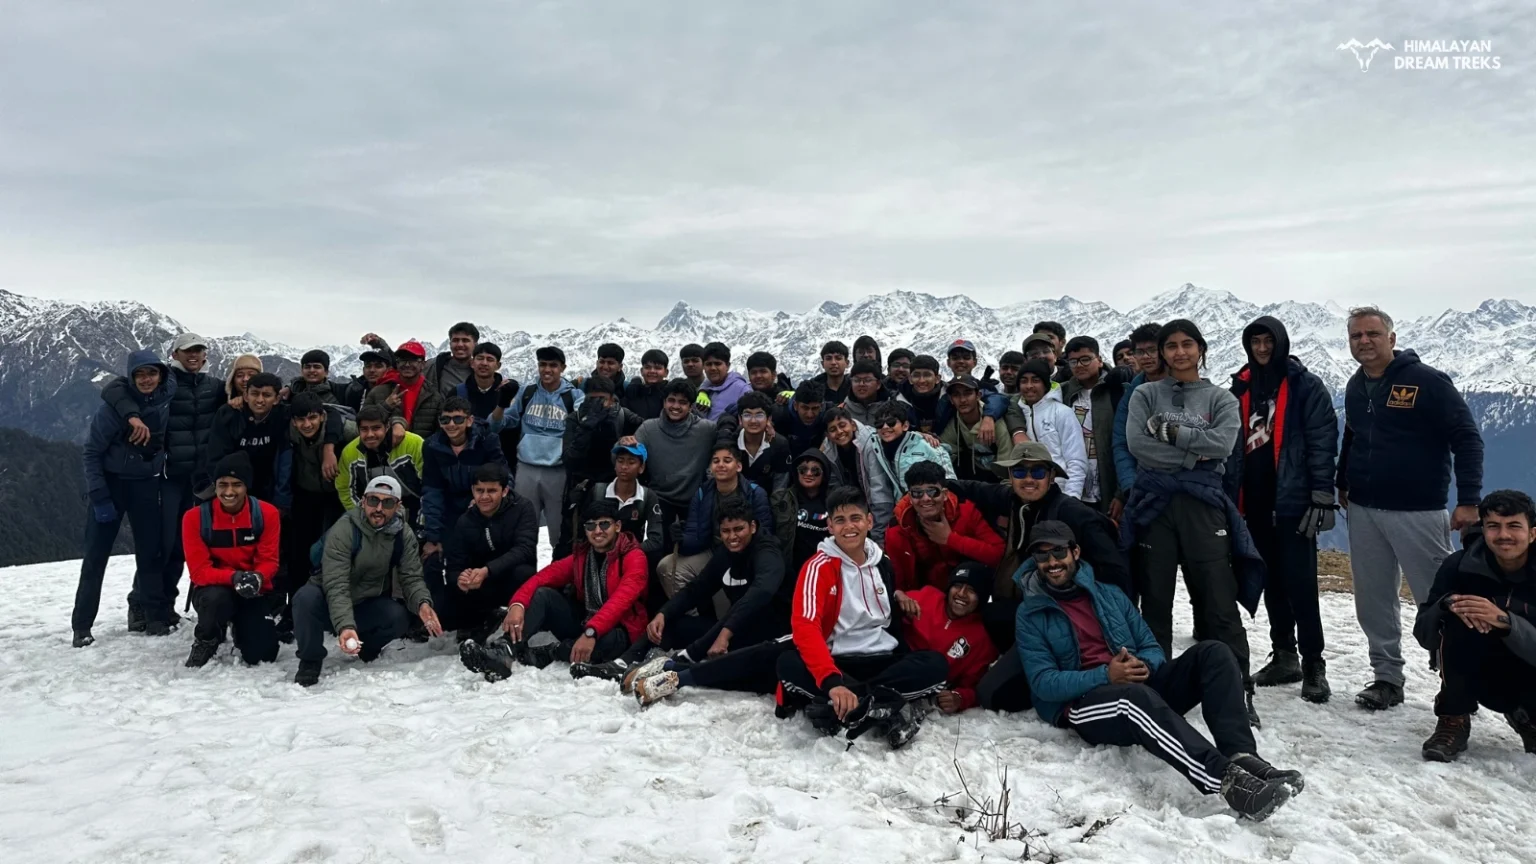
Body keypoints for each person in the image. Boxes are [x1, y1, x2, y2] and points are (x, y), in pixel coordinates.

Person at [1014, 521, 1301, 821]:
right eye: (1042, 556)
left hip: (1136, 685)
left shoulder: (1108, 594)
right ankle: (1230, 783)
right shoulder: (1031, 612)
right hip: (1085, 703)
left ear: (1075, 552)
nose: (1051, 563)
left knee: (1214, 653)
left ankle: (1244, 758)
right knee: (1133, 698)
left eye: (1058, 552)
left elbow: (1150, 646)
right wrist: (1106, 676)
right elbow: (1043, 682)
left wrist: (1144, 665)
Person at [1338, 305, 1485, 711]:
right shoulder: (1355, 385)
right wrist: (1341, 482)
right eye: (1356, 336)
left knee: (1438, 598)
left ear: (1392, 338)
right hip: (1365, 508)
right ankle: (1387, 677)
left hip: (1418, 509)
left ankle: (1455, 681)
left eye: (1372, 334)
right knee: (1373, 598)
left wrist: (1469, 500)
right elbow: (1352, 436)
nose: (1364, 342)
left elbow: (1467, 438)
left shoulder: (1427, 382)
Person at [1124, 319, 1264, 725]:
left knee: (1218, 599)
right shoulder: (1146, 394)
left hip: (1203, 507)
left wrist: (1168, 433)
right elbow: (1138, 446)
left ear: (1200, 349)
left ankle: (1237, 688)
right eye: (1171, 346)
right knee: (1155, 600)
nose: (1179, 353)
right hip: (1156, 505)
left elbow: (1222, 444)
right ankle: (1156, 686)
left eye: (1187, 345)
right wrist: (1192, 457)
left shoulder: (1219, 398)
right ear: (1163, 352)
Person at [776, 487, 949, 748]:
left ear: (869, 521)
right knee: (788, 664)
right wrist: (833, 683)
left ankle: (852, 706)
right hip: (839, 663)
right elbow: (806, 627)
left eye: (855, 518)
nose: (849, 527)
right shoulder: (817, 567)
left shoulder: (883, 563)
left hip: (884, 660)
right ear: (830, 527)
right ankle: (883, 704)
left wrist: (899, 596)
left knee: (936, 665)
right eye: (840, 520)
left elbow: (886, 613)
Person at [1224, 316, 1338, 704]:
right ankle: (1284, 654)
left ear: (1281, 342)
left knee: (1301, 584)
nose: (1261, 349)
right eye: (1254, 342)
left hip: (1293, 500)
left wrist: (1322, 494)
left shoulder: (1305, 386)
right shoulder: (1240, 385)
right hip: (1252, 500)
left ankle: (1313, 664)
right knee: (1269, 578)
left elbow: (1323, 440)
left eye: (1268, 341)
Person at [949, 440, 1129, 678]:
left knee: (999, 693)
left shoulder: (1073, 514)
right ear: (1010, 476)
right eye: (1020, 471)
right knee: (992, 615)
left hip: (1067, 613)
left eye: (1038, 471)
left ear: (1052, 476)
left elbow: (1117, 573)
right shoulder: (1012, 499)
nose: (1029, 479)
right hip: (1030, 607)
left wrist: (1111, 627)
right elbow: (975, 489)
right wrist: (937, 485)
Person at [98, 331, 223, 629]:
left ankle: (165, 604)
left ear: (205, 356)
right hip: (167, 477)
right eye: (186, 351)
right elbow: (114, 388)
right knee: (161, 543)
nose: (193, 355)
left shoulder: (215, 387)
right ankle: (140, 603)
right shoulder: (165, 385)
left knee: (182, 546)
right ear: (174, 356)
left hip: (200, 480)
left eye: (198, 351)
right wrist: (132, 415)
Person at [618, 501, 790, 701]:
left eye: (739, 529)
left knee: (742, 670)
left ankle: (675, 668)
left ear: (752, 527)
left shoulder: (768, 552)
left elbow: (760, 593)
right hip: (736, 630)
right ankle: (625, 662)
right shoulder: (725, 553)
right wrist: (663, 613)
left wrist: (725, 633)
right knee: (672, 622)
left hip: (770, 636)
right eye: (726, 531)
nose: (732, 537)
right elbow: (697, 589)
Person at [1413, 490, 1536, 760]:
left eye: (1514, 526)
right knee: (1460, 617)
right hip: (1477, 670)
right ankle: (1453, 717)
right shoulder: (1460, 566)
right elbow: (1423, 631)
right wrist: (1446, 606)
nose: (1504, 535)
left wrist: (1506, 621)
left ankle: (1525, 715)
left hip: (1529, 669)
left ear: (1532, 533)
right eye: (1494, 526)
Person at [464, 500, 648, 678]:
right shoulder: (583, 555)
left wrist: (592, 632)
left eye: (604, 524)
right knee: (543, 595)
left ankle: (551, 652)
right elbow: (542, 577)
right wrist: (517, 604)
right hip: (586, 622)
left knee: (608, 641)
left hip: (621, 629)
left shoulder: (633, 557)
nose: (597, 531)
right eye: (591, 526)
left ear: (617, 526)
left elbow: (620, 601)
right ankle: (505, 649)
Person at [294, 475, 441, 687]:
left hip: (365, 602)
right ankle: (310, 659)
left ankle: (367, 647)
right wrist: (345, 625)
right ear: (363, 501)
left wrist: (423, 604)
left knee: (397, 617)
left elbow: (411, 577)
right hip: (327, 601)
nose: (379, 508)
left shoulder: (403, 534)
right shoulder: (344, 530)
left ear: (398, 506)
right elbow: (336, 584)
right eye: (373, 500)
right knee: (304, 598)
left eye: (387, 502)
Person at [72, 349, 173, 646]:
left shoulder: (167, 398)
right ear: (130, 377)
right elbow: (91, 452)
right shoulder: (111, 410)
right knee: (95, 557)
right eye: (139, 374)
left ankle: (155, 618)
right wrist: (100, 497)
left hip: (145, 484)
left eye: (152, 373)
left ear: (161, 376)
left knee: (150, 554)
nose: (146, 379)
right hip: (112, 485)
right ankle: (81, 626)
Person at [181, 453, 282, 668]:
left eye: (236, 485)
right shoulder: (195, 518)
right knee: (215, 599)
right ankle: (208, 637)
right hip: (215, 590)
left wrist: (257, 577)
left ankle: (241, 626)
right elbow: (199, 572)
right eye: (222, 485)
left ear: (247, 486)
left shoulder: (266, 514)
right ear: (214, 486)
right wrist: (234, 577)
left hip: (252, 589)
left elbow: (270, 560)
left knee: (263, 655)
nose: (229, 492)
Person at [420, 396, 508, 609]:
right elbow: (432, 490)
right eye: (445, 420)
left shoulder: (488, 440)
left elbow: (503, 476)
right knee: (435, 556)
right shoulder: (432, 446)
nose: (451, 425)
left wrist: (481, 502)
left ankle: (488, 610)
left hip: (484, 505)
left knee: (481, 556)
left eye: (457, 419)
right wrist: (433, 535)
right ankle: (440, 612)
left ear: (469, 420)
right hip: (449, 507)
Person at [658, 444, 774, 598]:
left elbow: (765, 534)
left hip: (745, 555)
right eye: (715, 461)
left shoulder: (755, 493)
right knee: (666, 566)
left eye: (727, 460)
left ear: (738, 466)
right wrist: (681, 537)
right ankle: (693, 617)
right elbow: (694, 538)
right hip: (712, 551)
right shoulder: (702, 493)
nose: (720, 465)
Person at [282, 392, 351, 636]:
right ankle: (295, 609)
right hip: (304, 494)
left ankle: (335, 610)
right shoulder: (288, 431)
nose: (307, 424)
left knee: (333, 551)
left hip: (337, 496)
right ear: (293, 421)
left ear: (321, 417)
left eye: (312, 418)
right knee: (298, 553)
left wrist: (330, 447)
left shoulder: (343, 430)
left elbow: (366, 428)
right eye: (301, 420)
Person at [443, 464, 539, 637]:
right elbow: (454, 564)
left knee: (524, 573)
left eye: (491, 491)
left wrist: (488, 570)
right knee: (446, 600)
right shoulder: (465, 521)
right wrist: (460, 579)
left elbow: (525, 549)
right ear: (472, 490)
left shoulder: (523, 508)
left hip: (512, 576)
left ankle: (520, 625)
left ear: (504, 491)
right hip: (481, 583)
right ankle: (481, 620)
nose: (485, 496)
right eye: (479, 490)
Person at [631, 379, 721, 559]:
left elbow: (729, 439)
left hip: (694, 502)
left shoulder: (706, 429)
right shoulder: (648, 428)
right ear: (664, 402)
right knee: (657, 552)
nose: (675, 406)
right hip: (660, 500)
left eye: (682, 402)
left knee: (691, 552)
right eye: (671, 400)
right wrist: (623, 444)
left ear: (691, 405)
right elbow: (628, 456)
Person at [504, 346, 584, 547]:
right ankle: (525, 575)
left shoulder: (573, 396)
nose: (547, 370)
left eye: (553, 365)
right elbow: (506, 422)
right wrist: (499, 407)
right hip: (526, 467)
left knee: (558, 532)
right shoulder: (527, 392)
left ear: (562, 368)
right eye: (543, 365)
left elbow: (584, 419)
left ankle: (558, 576)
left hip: (557, 470)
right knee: (523, 529)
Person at [885, 460, 1004, 593]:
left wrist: (951, 539)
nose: (925, 499)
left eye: (932, 492)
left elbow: (999, 556)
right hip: (923, 600)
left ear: (945, 494)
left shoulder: (966, 512)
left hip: (967, 593)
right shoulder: (897, 529)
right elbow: (899, 583)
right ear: (910, 497)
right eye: (917, 493)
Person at [557, 375, 644, 557]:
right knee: (571, 544)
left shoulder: (623, 417)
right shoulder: (576, 419)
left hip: (615, 491)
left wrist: (631, 441)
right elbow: (570, 459)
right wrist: (587, 427)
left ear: (612, 399)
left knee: (616, 544)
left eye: (602, 399)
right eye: (591, 399)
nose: (596, 403)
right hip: (581, 489)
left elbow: (648, 432)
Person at [901, 561, 998, 714]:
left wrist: (959, 698)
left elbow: (973, 686)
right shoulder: (927, 597)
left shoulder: (981, 638)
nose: (961, 593)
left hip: (923, 683)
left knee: (936, 663)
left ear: (982, 598)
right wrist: (897, 596)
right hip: (894, 661)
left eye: (972, 590)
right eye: (957, 586)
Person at [208, 372, 295, 513]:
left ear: (277, 399)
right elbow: (215, 455)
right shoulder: (228, 415)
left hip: (269, 489)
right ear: (246, 396)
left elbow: (322, 409)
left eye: (266, 395)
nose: (260, 400)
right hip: (234, 488)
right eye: (255, 394)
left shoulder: (283, 415)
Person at [1060, 336, 1128, 513]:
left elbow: (1127, 442)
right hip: (1074, 487)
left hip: (1110, 484)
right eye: (1073, 361)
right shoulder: (1063, 392)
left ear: (1099, 360)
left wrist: (1121, 493)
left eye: (1085, 359)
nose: (1079, 365)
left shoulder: (1117, 390)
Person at [1006, 359, 1087, 498]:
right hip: (1028, 491)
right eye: (1024, 381)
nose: (1029, 386)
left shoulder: (1062, 413)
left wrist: (1072, 498)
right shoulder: (1017, 413)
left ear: (1045, 384)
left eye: (1035, 380)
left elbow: (1076, 460)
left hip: (1060, 492)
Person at [1111, 322, 1166, 520]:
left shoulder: (1185, 385)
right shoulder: (1132, 393)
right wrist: (1129, 486)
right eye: (1140, 352)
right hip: (1142, 490)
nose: (1146, 357)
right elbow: (1121, 442)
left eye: (1152, 350)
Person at [818, 407, 896, 542]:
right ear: (828, 435)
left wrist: (878, 536)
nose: (839, 432)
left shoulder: (870, 442)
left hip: (879, 505)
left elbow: (879, 489)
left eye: (842, 425)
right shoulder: (828, 450)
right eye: (833, 429)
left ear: (853, 425)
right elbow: (834, 487)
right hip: (854, 505)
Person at [336, 404, 425, 514]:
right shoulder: (349, 452)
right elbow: (345, 490)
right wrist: (362, 517)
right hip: (373, 508)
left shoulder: (414, 443)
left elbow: (430, 486)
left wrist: (423, 521)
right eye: (364, 429)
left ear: (387, 427)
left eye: (376, 428)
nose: (370, 434)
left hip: (415, 504)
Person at [587, 442, 665, 563]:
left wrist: (628, 552)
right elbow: (584, 531)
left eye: (631, 462)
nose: (624, 466)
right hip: (597, 558)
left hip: (631, 559)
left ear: (641, 467)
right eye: (620, 461)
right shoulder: (598, 492)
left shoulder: (648, 496)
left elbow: (656, 539)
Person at [772, 450, 839, 586]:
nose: (808, 474)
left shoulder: (836, 501)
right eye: (803, 470)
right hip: (792, 571)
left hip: (827, 569)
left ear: (824, 474)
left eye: (815, 471)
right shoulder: (780, 499)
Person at [871, 400, 955, 496]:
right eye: (879, 424)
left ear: (905, 425)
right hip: (901, 506)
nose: (885, 427)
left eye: (891, 422)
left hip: (931, 503)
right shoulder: (874, 444)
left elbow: (950, 482)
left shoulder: (930, 446)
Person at [366, 339, 444, 439]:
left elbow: (441, 431)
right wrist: (385, 407)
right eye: (403, 360)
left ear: (423, 365)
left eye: (412, 360)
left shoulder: (434, 396)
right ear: (397, 364)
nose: (407, 364)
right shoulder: (378, 392)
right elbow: (362, 424)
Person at [939, 374, 1010, 481]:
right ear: (951, 399)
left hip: (998, 479)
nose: (962, 400)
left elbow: (1007, 461)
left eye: (968, 393)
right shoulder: (953, 424)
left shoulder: (995, 422)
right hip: (973, 476)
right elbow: (942, 455)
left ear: (978, 395)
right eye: (956, 395)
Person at [734, 391, 792, 492]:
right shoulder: (732, 440)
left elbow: (780, 487)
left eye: (759, 415)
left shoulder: (779, 444)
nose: (753, 421)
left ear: (769, 419)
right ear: (740, 419)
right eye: (747, 415)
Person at [457, 342, 519, 426]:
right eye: (480, 358)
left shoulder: (508, 392)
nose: (484, 363)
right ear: (472, 363)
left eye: (490, 359)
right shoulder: (458, 392)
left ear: (498, 365)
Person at [697, 341, 752, 420]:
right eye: (708, 364)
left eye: (717, 364)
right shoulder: (704, 390)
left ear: (728, 366)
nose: (713, 368)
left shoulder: (742, 389)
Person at [774, 380, 828, 455]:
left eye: (815, 408)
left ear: (821, 406)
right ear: (795, 405)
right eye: (805, 408)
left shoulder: (828, 415)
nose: (809, 415)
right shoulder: (779, 415)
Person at [427, 322, 479, 396]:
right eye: (455, 340)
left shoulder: (481, 370)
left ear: (475, 345)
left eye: (465, 340)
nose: (460, 344)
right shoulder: (433, 366)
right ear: (450, 344)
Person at [843, 360, 896, 426]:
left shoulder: (893, 408)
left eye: (867, 380)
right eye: (856, 380)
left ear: (878, 384)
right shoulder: (842, 409)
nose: (861, 384)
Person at [623, 348, 670, 420]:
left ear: (666, 372)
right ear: (642, 371)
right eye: (647, 367)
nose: (652, 371)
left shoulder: (671, 394)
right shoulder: (633, 393)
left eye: (657, 368)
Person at [343, 346, 393, 413]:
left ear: (389, 370)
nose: (372, 370)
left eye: (378, 366)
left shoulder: (394, 390)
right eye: (368, 366)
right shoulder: (355, 391)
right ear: (363, 370)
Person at [814, 340, 852, 405]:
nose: (833, 362)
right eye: (828, 358)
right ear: (822, 364)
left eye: (838, 358)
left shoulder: (854, 387)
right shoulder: (813, 388)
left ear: (847, 363)